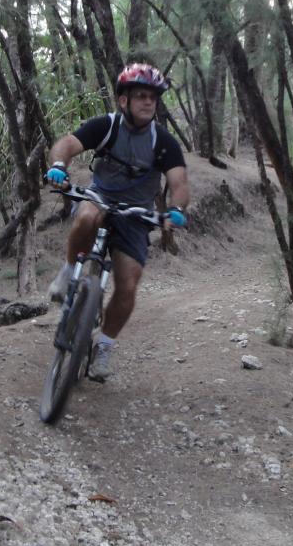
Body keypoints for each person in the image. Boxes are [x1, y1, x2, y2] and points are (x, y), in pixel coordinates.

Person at [44, 62, 190, 382]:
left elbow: (179, 183)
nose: (148, 102)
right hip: (101, 197)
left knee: (127, 283)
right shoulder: (107, 126)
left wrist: (175, 209)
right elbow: (67, 144)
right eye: (140, 96)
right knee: (87, 216)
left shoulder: (163, 142)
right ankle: (68, 273)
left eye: (152, 97)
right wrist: (58, 164)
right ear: (123, 100)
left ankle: (105, 347)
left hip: (136, 215)